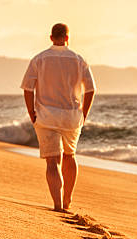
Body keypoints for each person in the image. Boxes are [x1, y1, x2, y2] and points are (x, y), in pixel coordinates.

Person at [21, 23, 95, 212]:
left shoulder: (40, 59)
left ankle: (57, 204)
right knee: (70, 156)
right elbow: (91, 89)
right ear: (68, 38)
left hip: (46, 116)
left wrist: (31, 113)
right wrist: (83, 114)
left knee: (52, 161)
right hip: (71, 116)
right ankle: (68, 199)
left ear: (51, 37)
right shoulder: (79, 60)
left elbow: (28, 88)